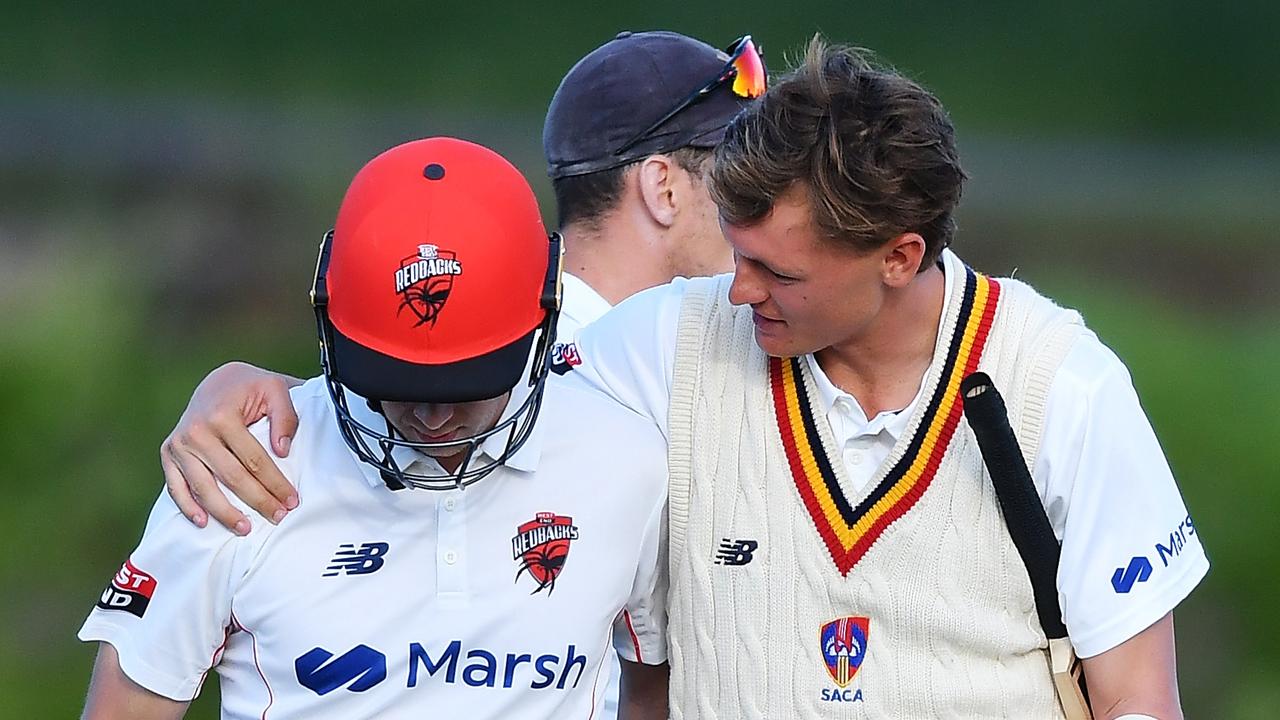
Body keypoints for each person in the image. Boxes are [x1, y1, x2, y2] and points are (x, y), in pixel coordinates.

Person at [562, 39, 1207, 718]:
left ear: (900, 256)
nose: (736, 292)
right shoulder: (663, 346)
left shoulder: (1065, 387)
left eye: (780, 274)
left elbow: (1137, 698)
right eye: (738, 253)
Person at [149, 30, 764, 720]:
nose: (761, 214)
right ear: (663, 187)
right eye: (743, 181)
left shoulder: (709, 350)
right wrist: (246, 395)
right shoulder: (612, 369)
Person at [78, 137, 671, 719]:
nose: (433, 417)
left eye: (469, 384)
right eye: (398, 382)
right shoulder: (235, 466)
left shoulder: (631, 462)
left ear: (545, 309)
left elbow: (652, 691)